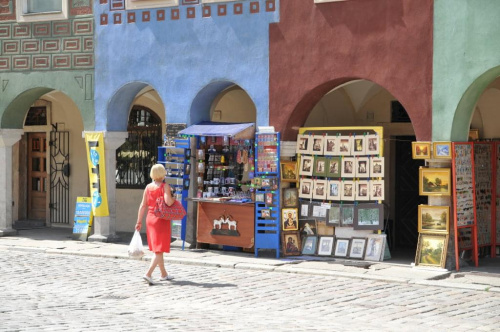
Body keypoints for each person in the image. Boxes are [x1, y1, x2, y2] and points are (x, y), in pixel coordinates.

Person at [136, 164, 176, 285]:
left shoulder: (148, 187)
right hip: (161, 219)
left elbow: (143, 205)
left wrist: (138, 221)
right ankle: (148, 274)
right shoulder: (165, 187)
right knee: (160, 249)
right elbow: (168, 202)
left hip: (150, 218)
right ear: (162, 174)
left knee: (158, 248)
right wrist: (174, 198)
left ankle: (164, 274)